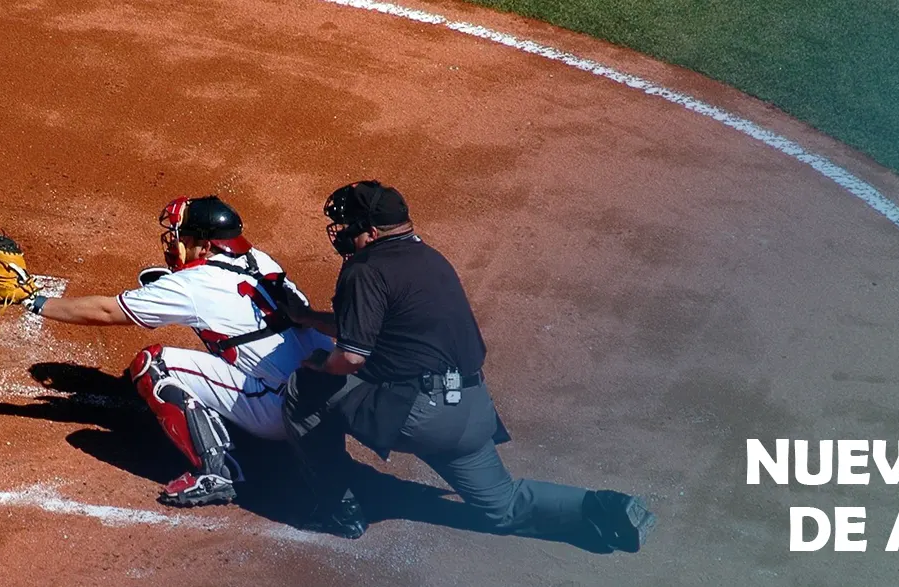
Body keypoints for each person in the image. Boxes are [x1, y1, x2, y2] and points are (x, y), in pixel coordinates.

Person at [281, 180, 656, 550]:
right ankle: (606, 506)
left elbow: (351, 356)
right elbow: (376, 327)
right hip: (471, 411)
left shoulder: (365, 269)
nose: (345, 234)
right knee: (501, 505)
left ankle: (338, 509)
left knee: (306, 387)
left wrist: (323, 365)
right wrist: (310, 318)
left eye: (350, 226)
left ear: (372, 231)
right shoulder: (431, 259)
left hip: (419, 415)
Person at [11, 195, 334, 507]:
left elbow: (107, 312)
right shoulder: (260, 260)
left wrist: (32, 301)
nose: (172, 242)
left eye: (183, 236)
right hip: (332, 395)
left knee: (154, 365)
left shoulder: (191, 285)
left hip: (282, 414)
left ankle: (218, 474)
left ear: (206, 245)